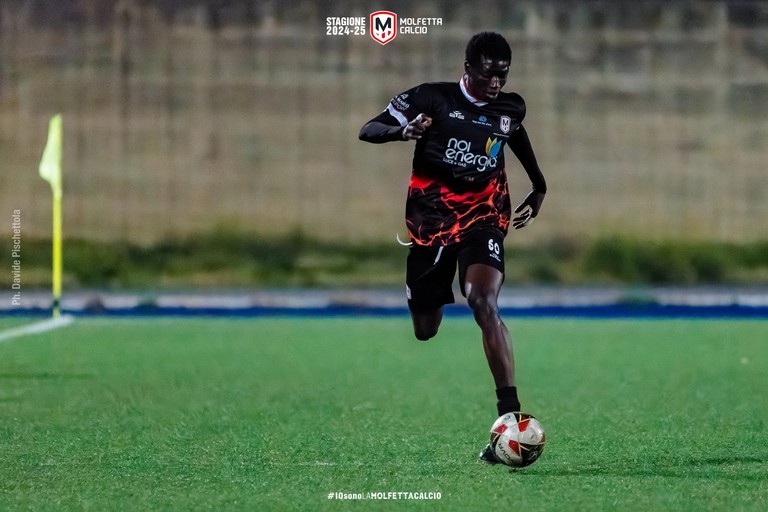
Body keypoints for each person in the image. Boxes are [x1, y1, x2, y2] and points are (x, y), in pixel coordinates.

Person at [358, 31, 547, 463]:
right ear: (467, 69)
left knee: (482, 300)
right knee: (425, 330)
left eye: (502, 75)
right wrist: (403, 131)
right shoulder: (430, 98)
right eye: (487, 75)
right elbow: (368, 129)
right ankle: (423, 293)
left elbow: (513, 133)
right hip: (430, 224)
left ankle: (509, 418)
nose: (495, 84)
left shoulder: (510, 106)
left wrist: (539, 186)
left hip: (484, 217)